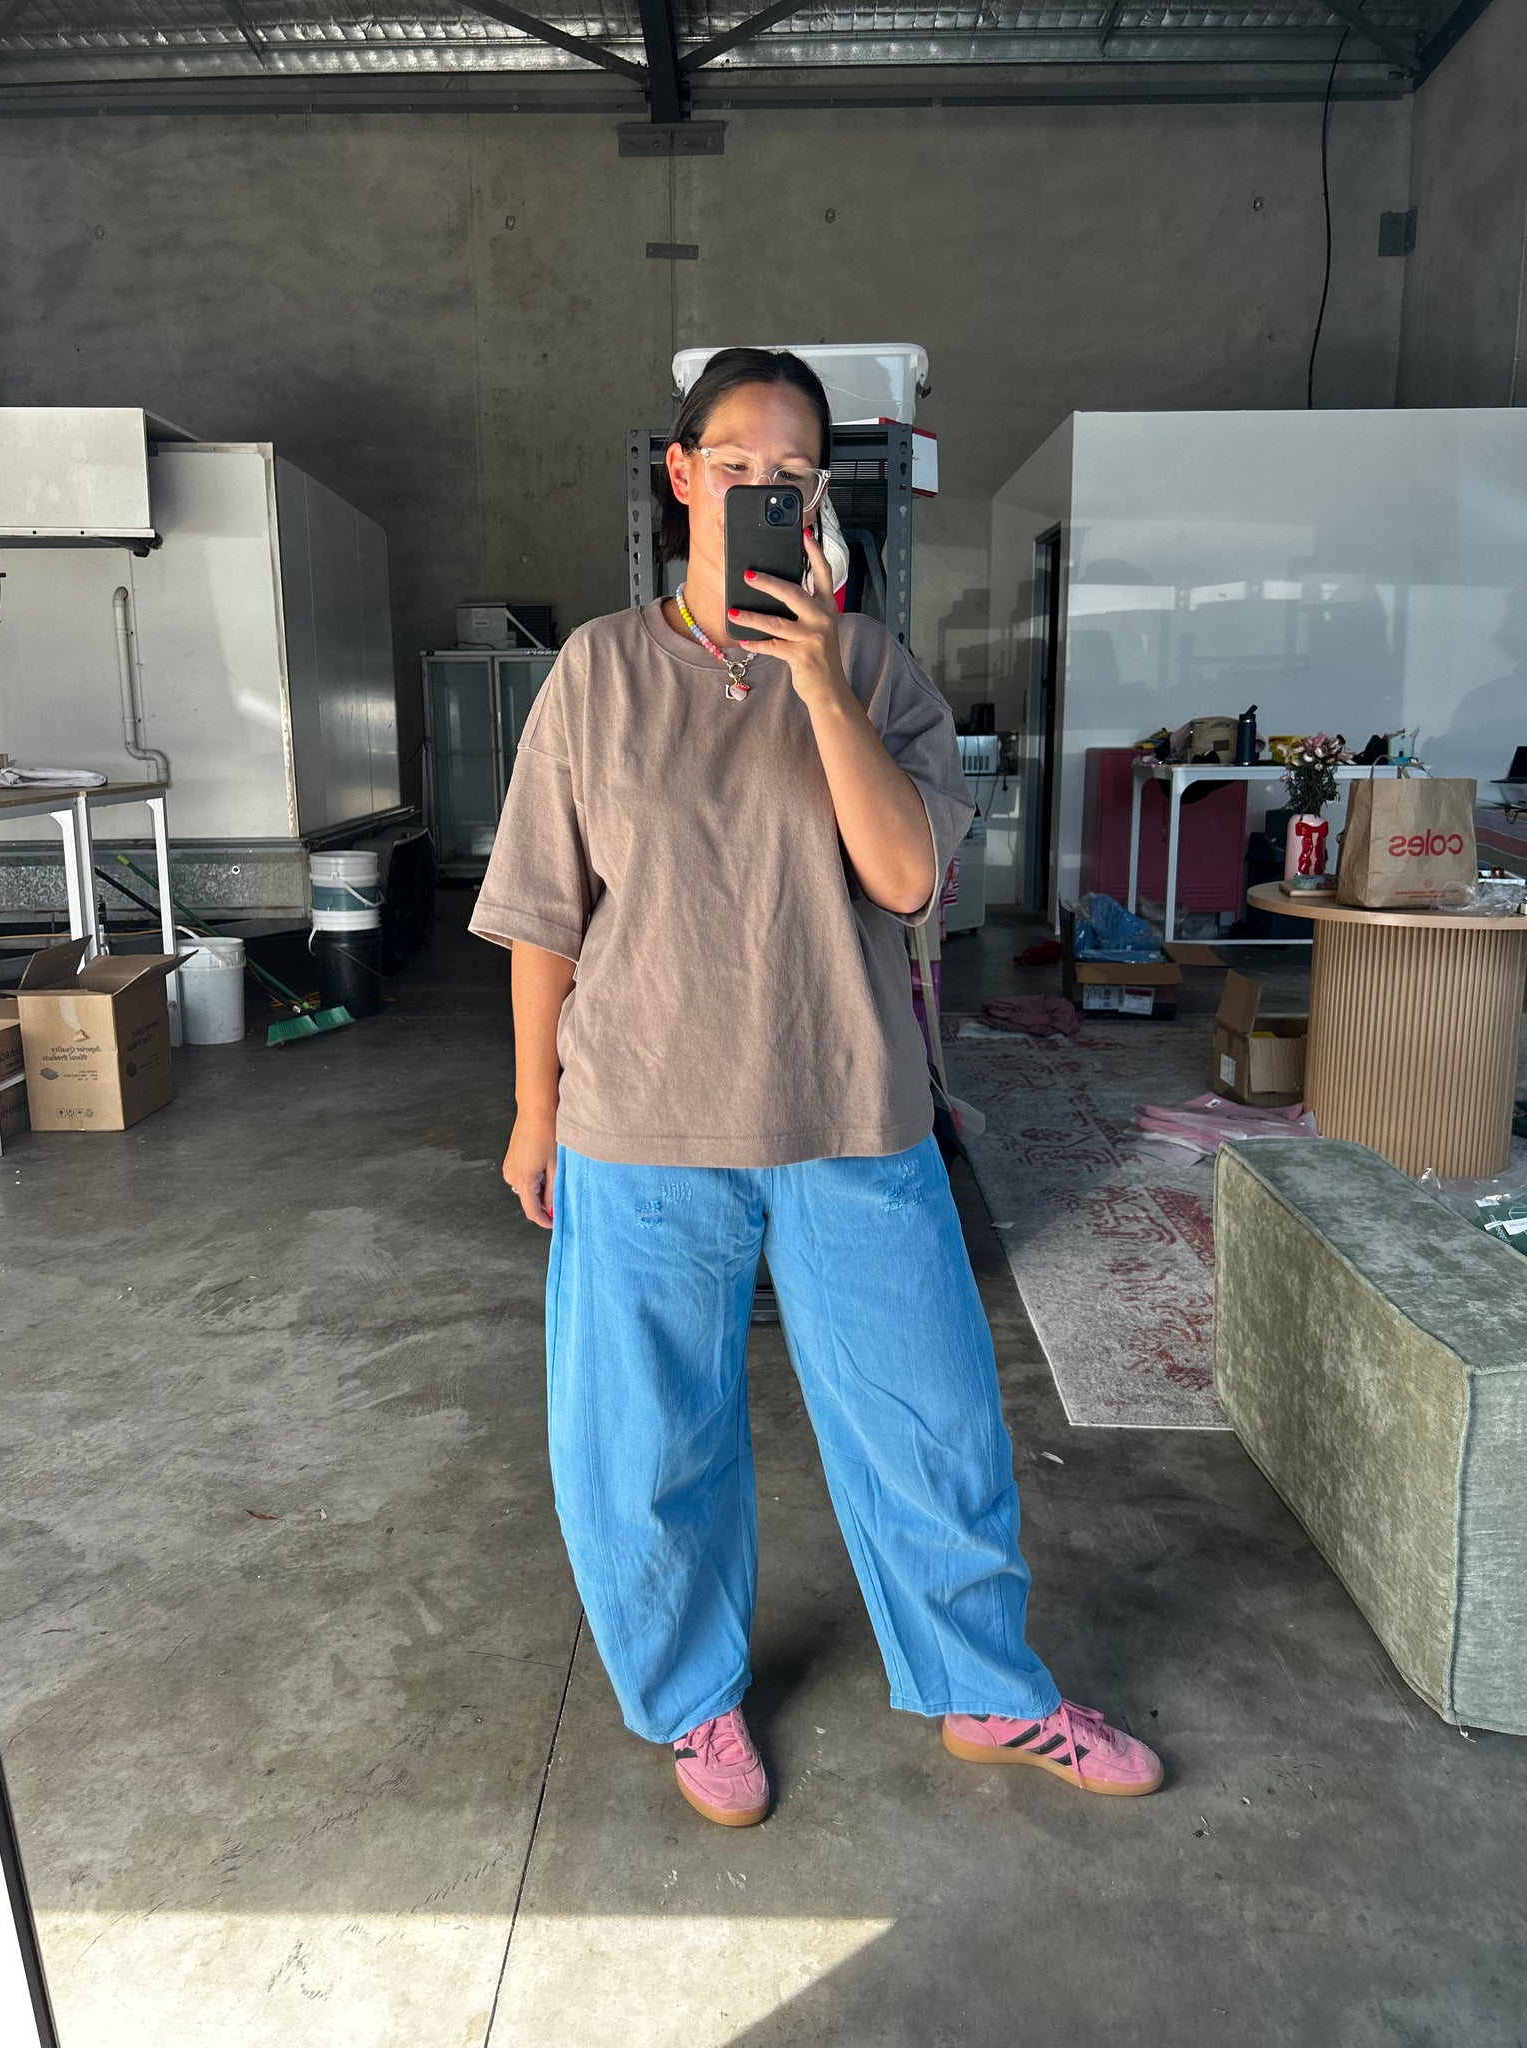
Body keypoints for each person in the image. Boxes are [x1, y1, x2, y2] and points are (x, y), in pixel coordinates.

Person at [471, 347, 1163, 1828]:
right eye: (736, 467)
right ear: (682, 477)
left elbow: (906, 878)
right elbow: (542, 914)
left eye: (791, 476)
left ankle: (986, 1691)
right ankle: (693, 1703)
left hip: (850, 1108)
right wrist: (534, 1111)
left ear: (822, 499)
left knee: (934, 1423)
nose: (763, 491)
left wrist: (824, 686)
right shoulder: (599, 670)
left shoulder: (878, 673)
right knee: (644, 1445)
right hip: (640, 1123)